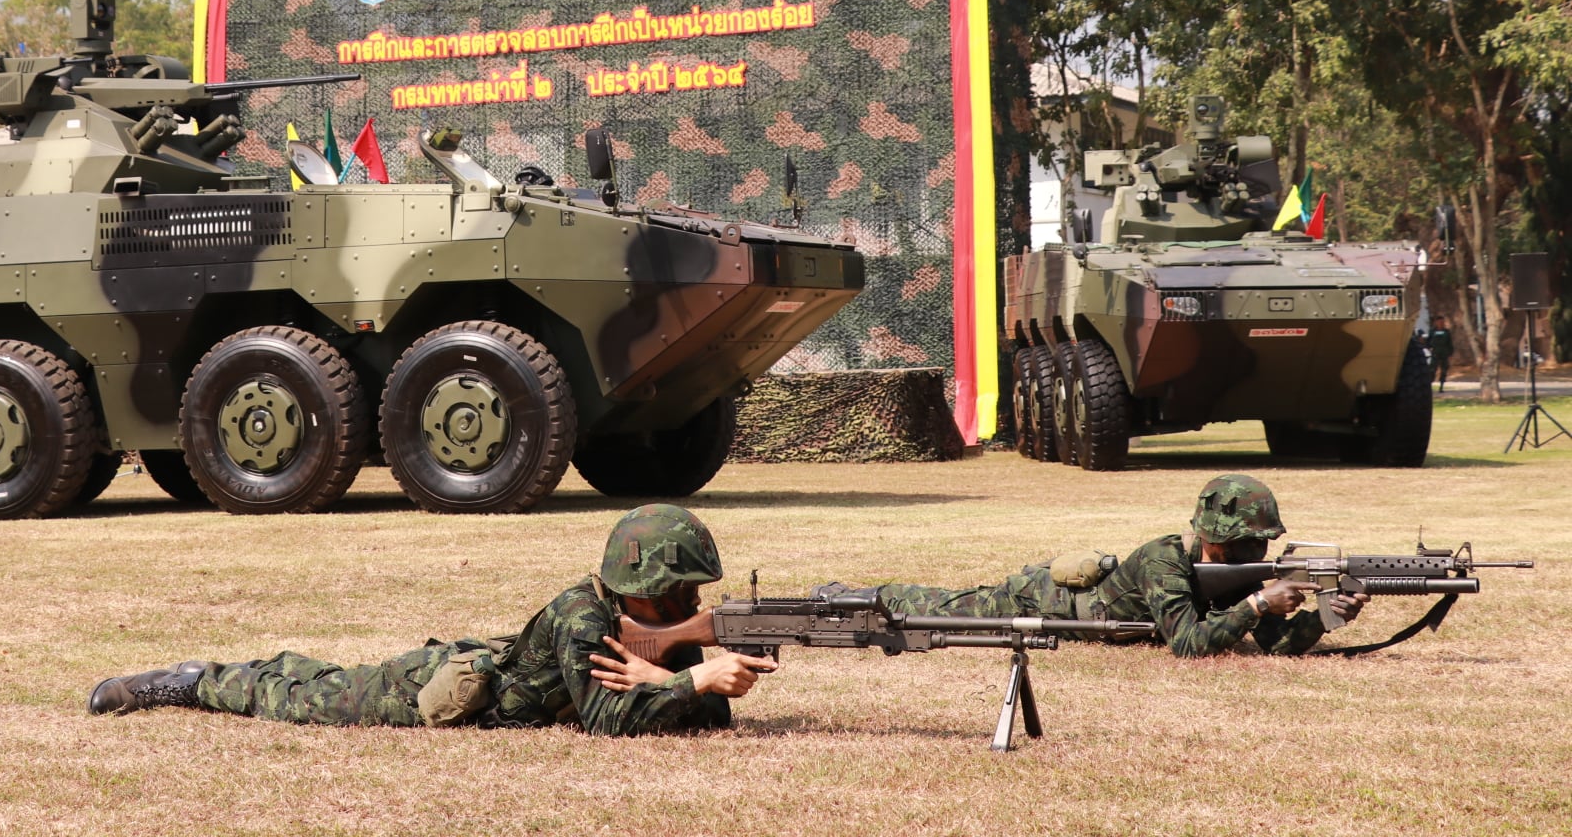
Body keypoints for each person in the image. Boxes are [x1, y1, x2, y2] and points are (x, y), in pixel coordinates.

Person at [87, 504, 776, 734]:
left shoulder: (640, 623)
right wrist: (690, 683)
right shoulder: (581, 617)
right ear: (637, 585)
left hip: (495, 681)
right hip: (440, 689)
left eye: (694, 596)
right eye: (678, 596)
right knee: (302, 694)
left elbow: (699, 722)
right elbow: (605, 722)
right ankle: (192, 680)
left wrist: (689, 678)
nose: (691, 608)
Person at [816, 474, 1368, 658]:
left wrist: (1322, 617)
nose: (1258, 555)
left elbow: (1274, 645)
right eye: (1249, 543)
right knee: (932, 607)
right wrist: (1256, 604)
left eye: (1261, 544)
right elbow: (1187, 644)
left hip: (1075, 608)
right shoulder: (1164, 560)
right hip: (1041, 601)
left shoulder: (1240, 575)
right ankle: (844, 596)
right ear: (1213, 538)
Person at [1427, 315, 1455, 391]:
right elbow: (1428, 342)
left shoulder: (1446, 332)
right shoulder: (1432, 331)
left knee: (1444, 370)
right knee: (1432, 370)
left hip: (1444, 354)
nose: (1441, 323)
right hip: (1435, 353)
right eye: (1439, 322)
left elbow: (1450, 343)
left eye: (1442, 322)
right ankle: (1429, 386)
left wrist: (1450, 354)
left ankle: (1441, 386)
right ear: (1436, 322)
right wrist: (1429, 348)